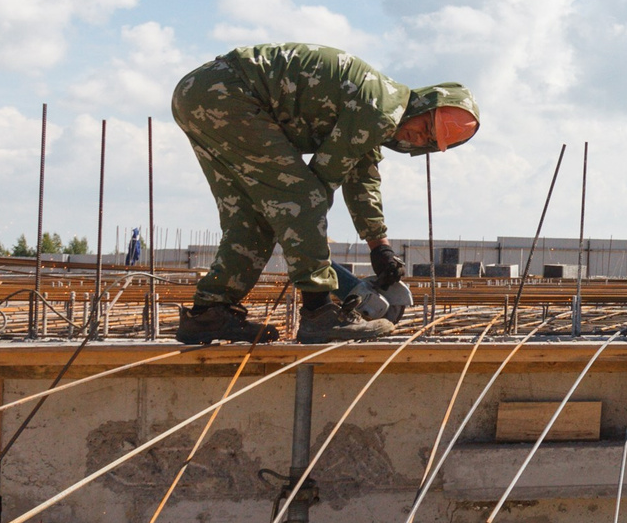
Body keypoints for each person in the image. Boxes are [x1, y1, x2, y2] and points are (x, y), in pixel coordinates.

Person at [169, 44, 480, 344]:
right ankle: (319, 313)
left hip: (202, 94)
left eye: (428, 139)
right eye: (425, 125)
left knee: (252, 218)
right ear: (424, 104)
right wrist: (332, 285)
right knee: (301, 198)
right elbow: (316, 188)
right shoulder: (380, 109)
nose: (418, 136)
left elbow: (362, 178)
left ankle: (209, 312)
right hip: (228, 94)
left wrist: (379, 247)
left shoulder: (378, 112)